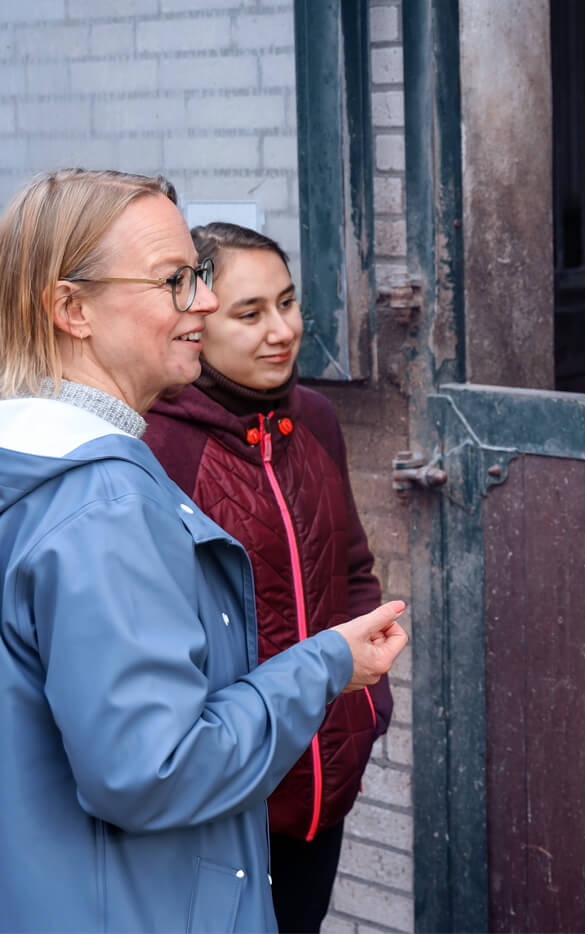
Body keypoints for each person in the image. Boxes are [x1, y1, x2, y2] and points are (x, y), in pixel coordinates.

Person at [0, 168, 408, 932]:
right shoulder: (105, 504)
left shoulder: (32, 465)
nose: (207, 301)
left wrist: (357, 715)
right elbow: (152, 773)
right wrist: (324, 669)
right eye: (175, 280)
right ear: (70, 309)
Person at [142, 221, 389, 932]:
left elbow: (353, 571)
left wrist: (366, 713)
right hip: (223, 805)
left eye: (287, 303)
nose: (281, 331)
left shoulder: (315, 418)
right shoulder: (154, 445)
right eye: (250, 314)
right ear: (195, 316)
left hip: (321, 791)